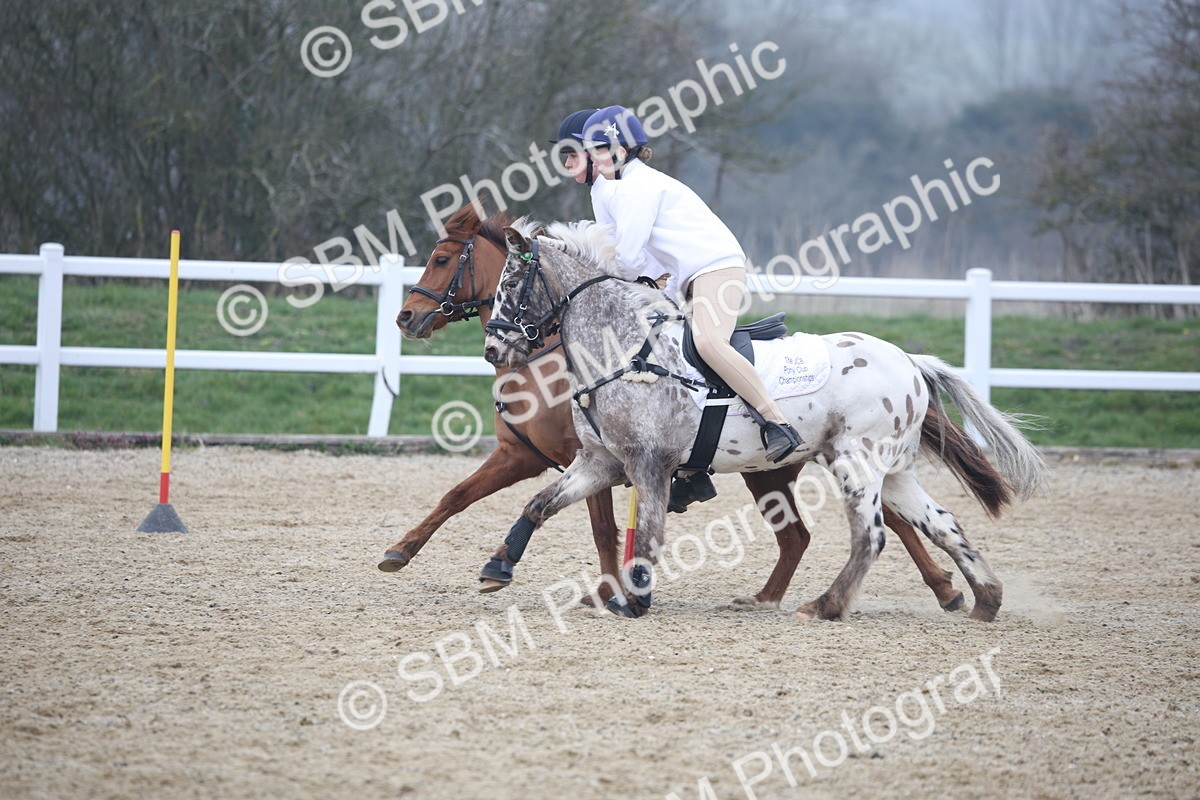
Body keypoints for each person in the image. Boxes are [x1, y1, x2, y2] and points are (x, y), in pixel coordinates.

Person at [573, 105, 802, 463]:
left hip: (715, 269)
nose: (594, 158)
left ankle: (777, 423)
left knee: (708, 343)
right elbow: (638, 260)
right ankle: (693, 467)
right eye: (592, 150)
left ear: (624, 150)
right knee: (664, 353)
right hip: (685, 277)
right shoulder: (624, 188)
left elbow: (630, 259)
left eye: (600, 149)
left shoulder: (635, 189)